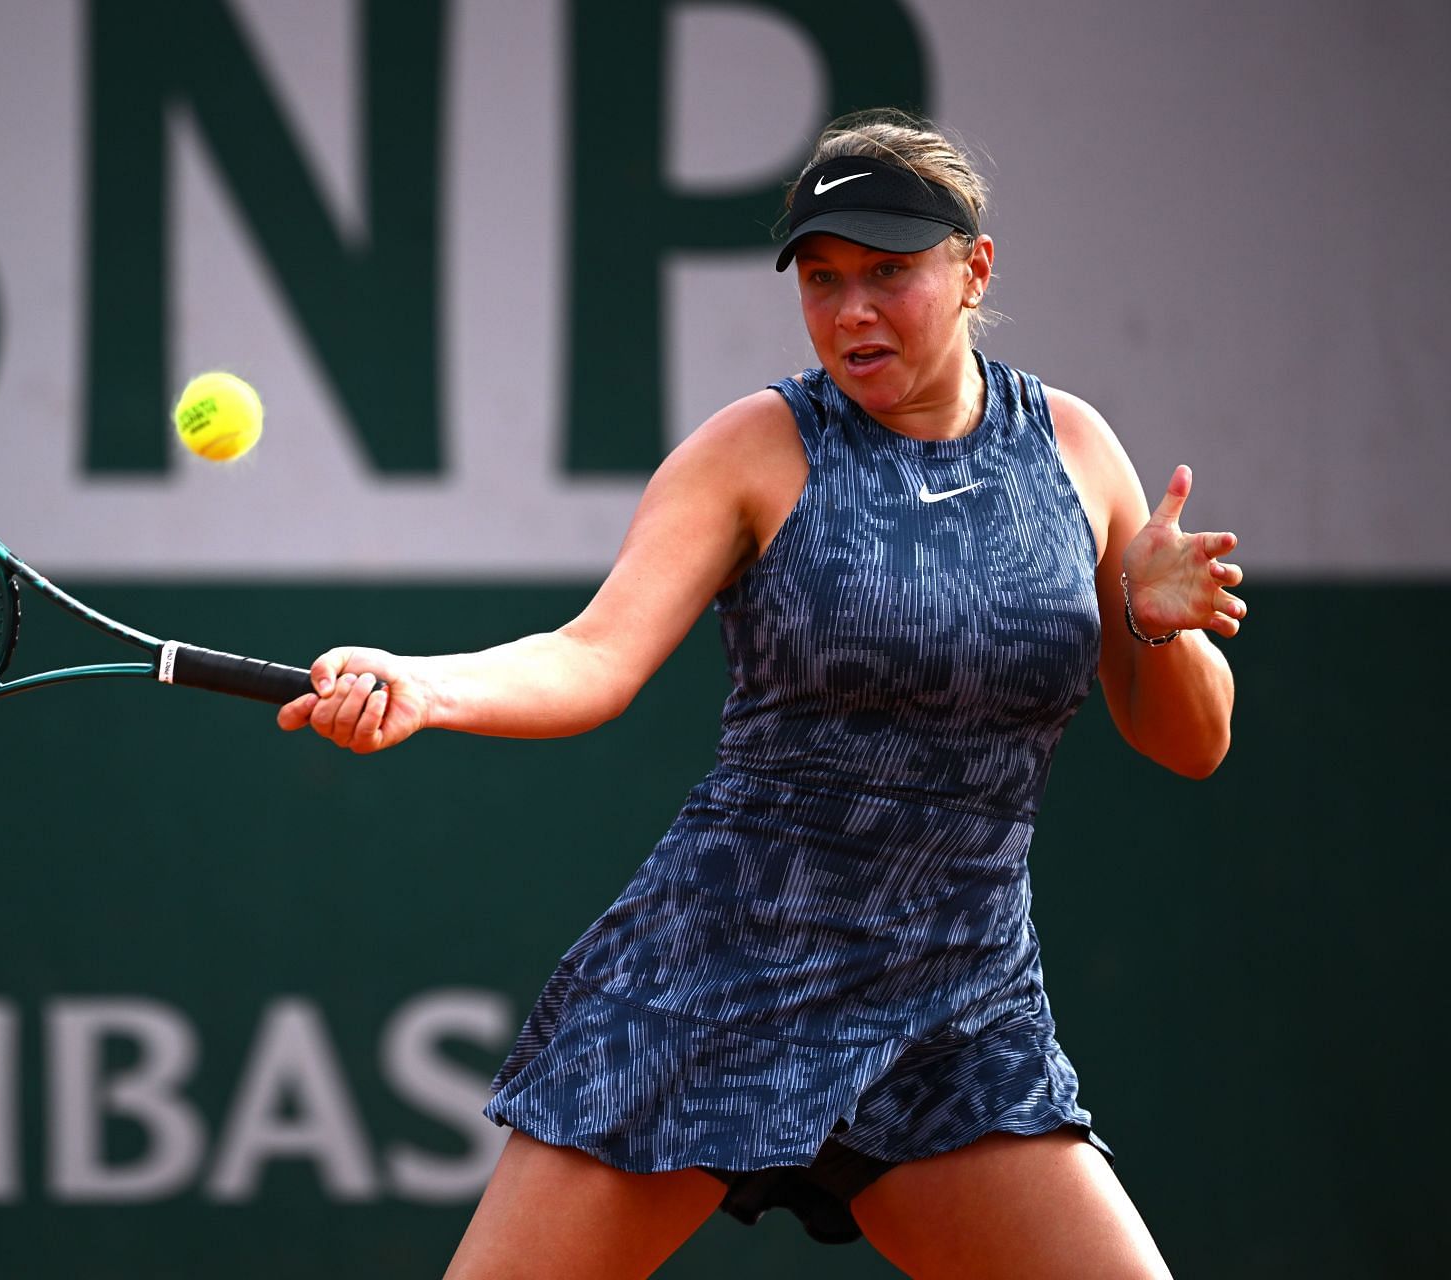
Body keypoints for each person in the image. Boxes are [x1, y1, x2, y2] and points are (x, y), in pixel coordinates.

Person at [278, 108, 1242, 1279]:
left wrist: (1153, 622)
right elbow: (594, 655)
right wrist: (423, 685)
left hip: (957, 1007)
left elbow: (1187, 742)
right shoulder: (755, 449)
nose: (852, 313)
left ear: (973, 266)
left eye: (889, 274)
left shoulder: (1076, 452)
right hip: (720, 975)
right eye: (823, 280)